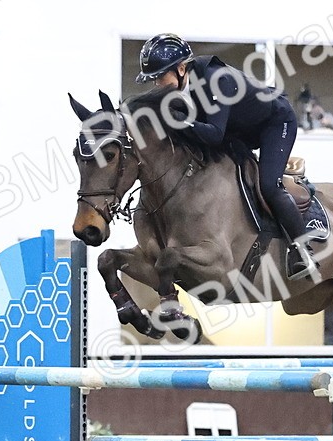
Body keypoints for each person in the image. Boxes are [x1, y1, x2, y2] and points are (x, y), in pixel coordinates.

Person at [136, 33, 318, 281]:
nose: (157, 84)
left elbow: (214, 135)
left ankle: (302, 250)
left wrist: (179, 121)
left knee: (268, 185)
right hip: (238, 129)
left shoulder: (216, 80)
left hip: (274, 123)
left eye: (160, 77)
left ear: (181, 69)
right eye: (153, 79)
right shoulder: (180, 88)